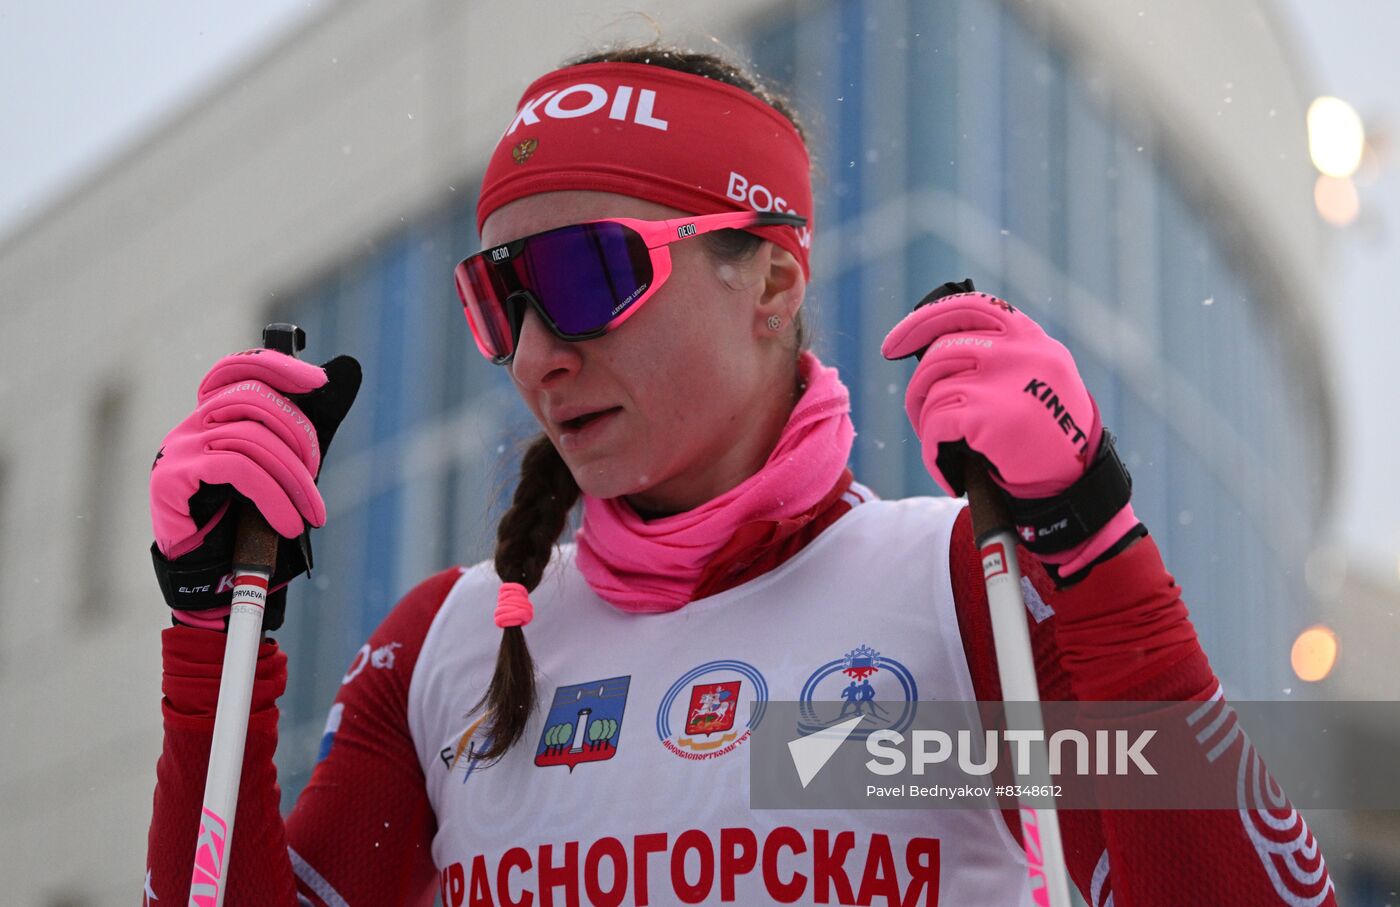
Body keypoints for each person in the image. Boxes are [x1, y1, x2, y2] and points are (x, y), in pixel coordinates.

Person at [144, 45, 1336, 906]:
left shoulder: (948, 589)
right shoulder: (451, 642)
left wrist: (1093, 543)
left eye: (579, 275)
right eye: (496, 298)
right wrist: (213, 634)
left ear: (769, 283)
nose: (536, 353)